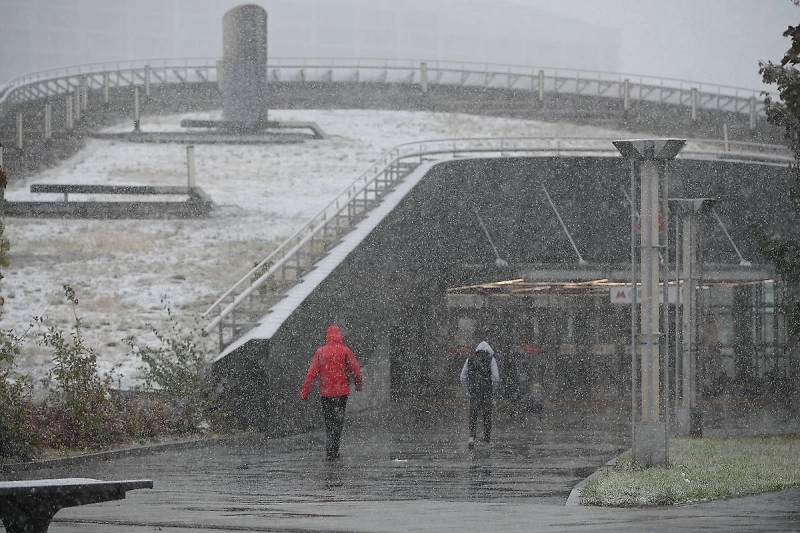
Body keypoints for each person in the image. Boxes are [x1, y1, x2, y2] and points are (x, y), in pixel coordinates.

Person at [300, 325, 363, 460]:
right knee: (338, 421)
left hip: (326, 394)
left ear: (327, 336)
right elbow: (355, 370)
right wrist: (358, 385)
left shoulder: (320, 352)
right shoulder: (345, 351)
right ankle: (334, 449)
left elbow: (311, 374)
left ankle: (330, 449)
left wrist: (305, 392)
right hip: (341, 393)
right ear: (340, 335)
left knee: (329, 422)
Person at [460, 340, 500, 448]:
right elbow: (496, 378)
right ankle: (486, 439)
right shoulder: (491, 359)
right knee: (487, 415)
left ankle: (471, 437)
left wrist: (468, 390)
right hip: (487, 391)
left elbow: (463, 377)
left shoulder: (469, 359)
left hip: (474, 391)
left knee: (473, 414)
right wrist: (492, 390)